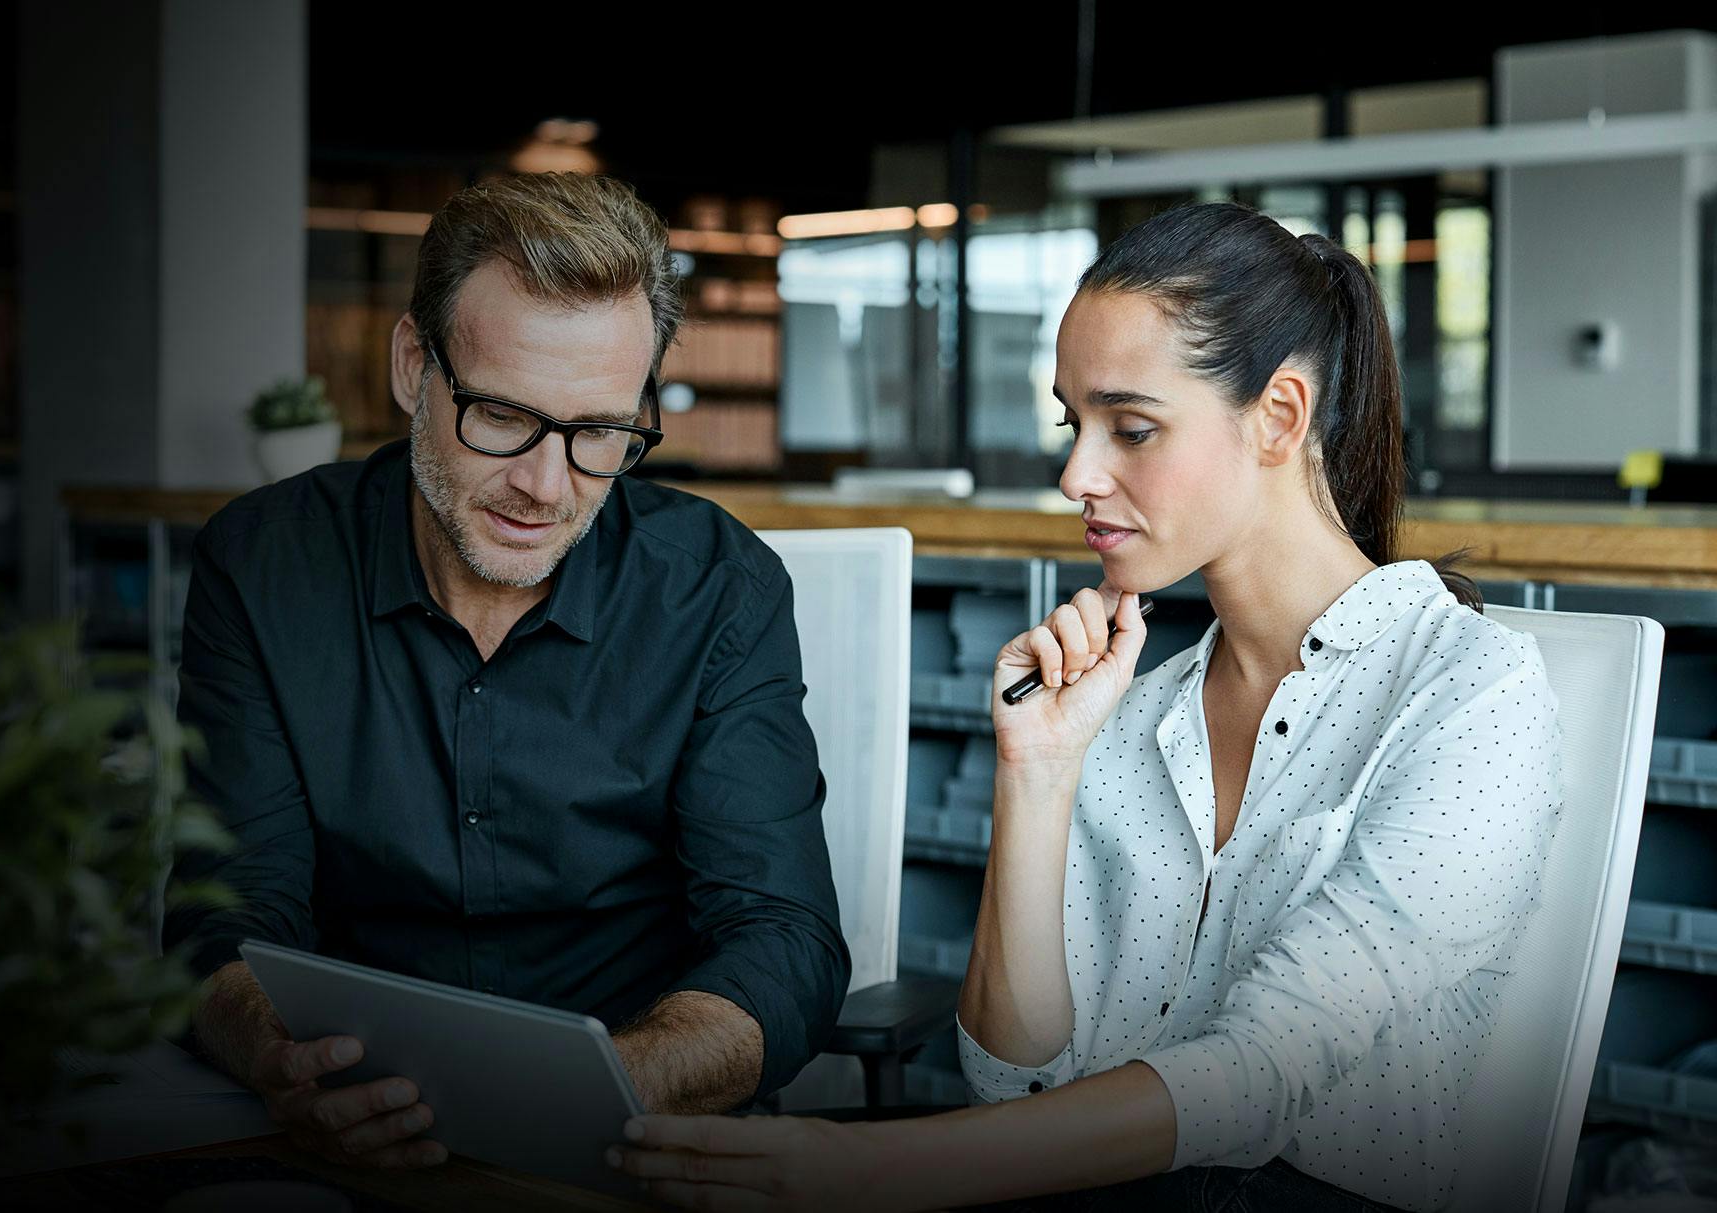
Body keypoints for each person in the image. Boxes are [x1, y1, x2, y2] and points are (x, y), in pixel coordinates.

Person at [611, 201, 1561, 1213]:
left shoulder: (1470, 694)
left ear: (1278, 416)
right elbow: (1010, 1075)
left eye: (1131, 427)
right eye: (1073, 423)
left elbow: (1259, 1076)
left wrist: (873, 1169)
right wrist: (1037, 772)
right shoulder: (1131, 708)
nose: (1074, 474)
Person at [163, 172, 849, 1171]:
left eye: (598, 433)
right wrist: (282, 1058)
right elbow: (224, 908)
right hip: (346, 1135)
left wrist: (599, 1087)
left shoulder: (717, 589)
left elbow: (781, 941)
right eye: (499, 414)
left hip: (628, 1143)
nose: (543, 483)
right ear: (412, 366)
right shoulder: (262, 565)